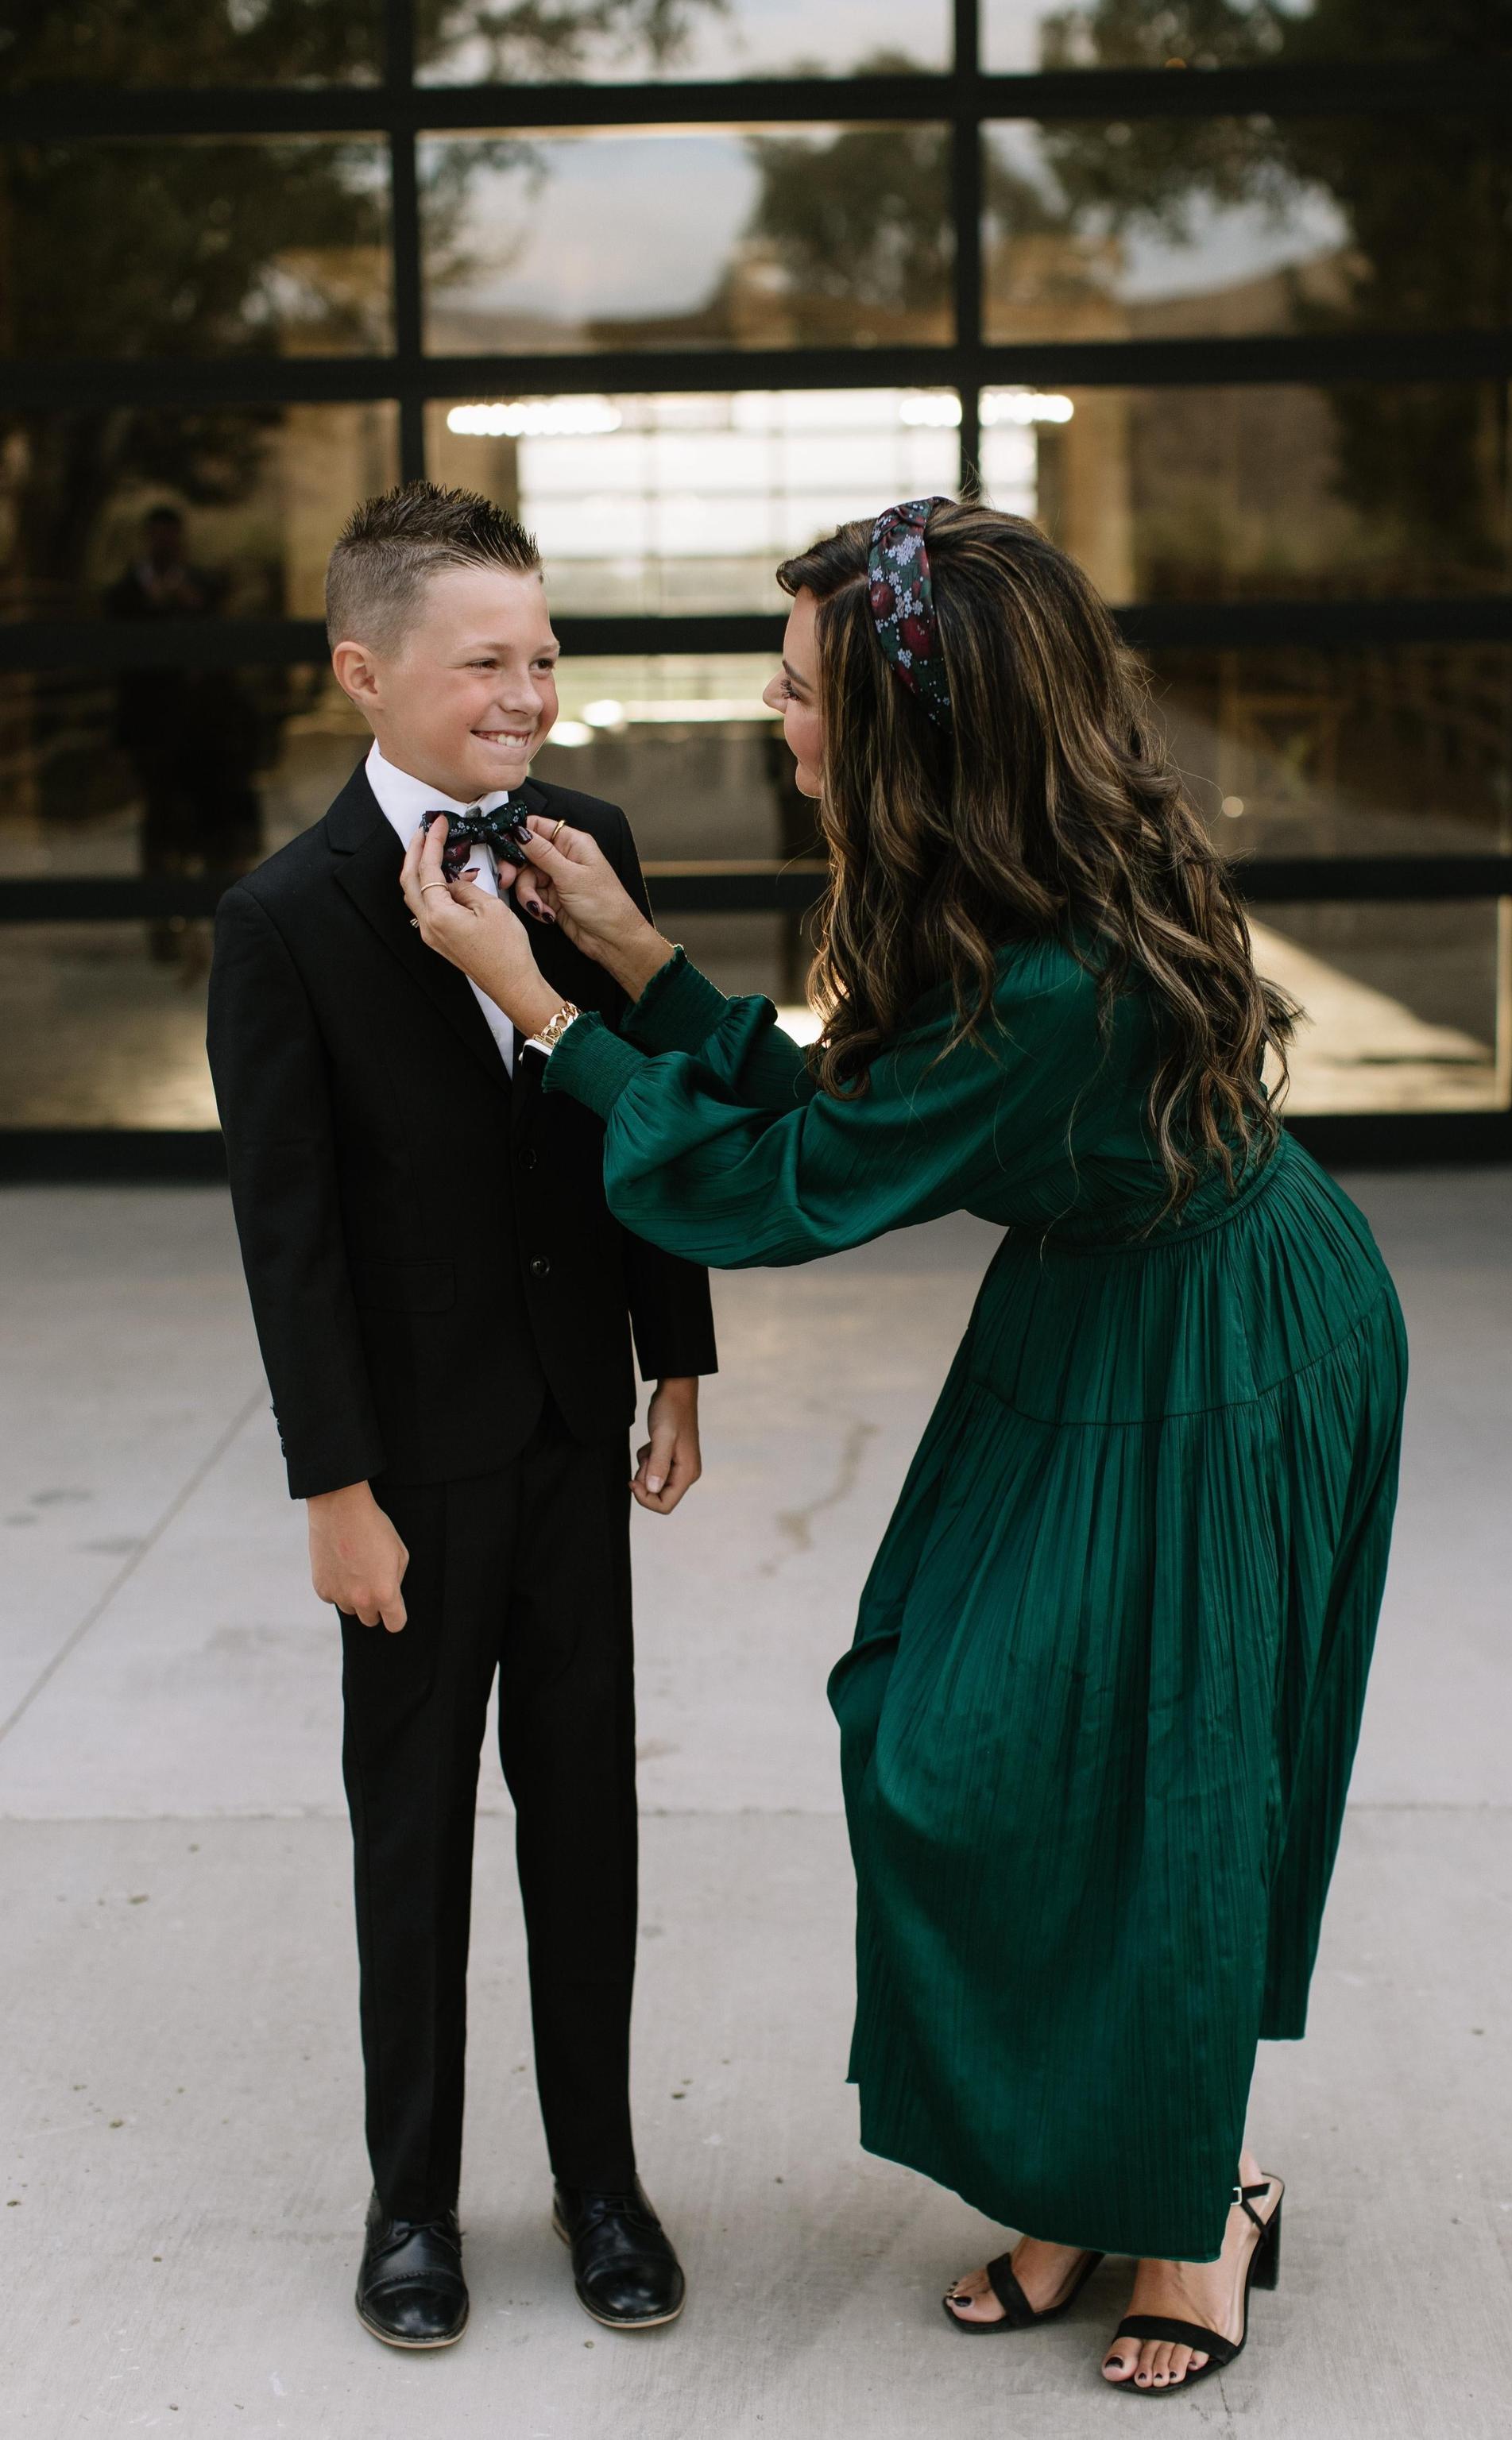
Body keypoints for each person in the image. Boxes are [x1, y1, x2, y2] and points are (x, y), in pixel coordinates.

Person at [402, 497, 1408, 2396]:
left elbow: (786, 1185)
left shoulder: (1055, 973)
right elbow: (861, 1105)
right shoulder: (1005, 881)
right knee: (954, 1747)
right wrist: (636, 956)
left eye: (799, 690)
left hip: (1220, 1344)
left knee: (1164, 1787)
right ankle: (1084, 2164)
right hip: (1093, 1305)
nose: (776, 718)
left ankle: (1191, 2200)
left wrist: (541, 1006)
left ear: (907, 727)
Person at [206, 482, 717, 2353]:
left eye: (544, 656)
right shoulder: (283, 917)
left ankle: (603, 2180)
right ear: (365, 672)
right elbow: (293, 1236)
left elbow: (641, 1114)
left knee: (586, 1819)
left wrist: (676, 1356)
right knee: (410, 1832)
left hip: (575, 1426)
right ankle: (409, 2198)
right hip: (409, 1468)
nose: (526, 693)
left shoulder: (586, 848)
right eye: (484, 660)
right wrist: (333, 1484)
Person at [107, 505, 264, 961]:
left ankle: (222, 936)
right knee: (161, 835)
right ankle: (165, 938)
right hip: (154, 738)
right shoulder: (125, 596)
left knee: (213, 835)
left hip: (206, 739)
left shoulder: (203, 589)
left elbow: (224, 660)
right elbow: (122, 670)